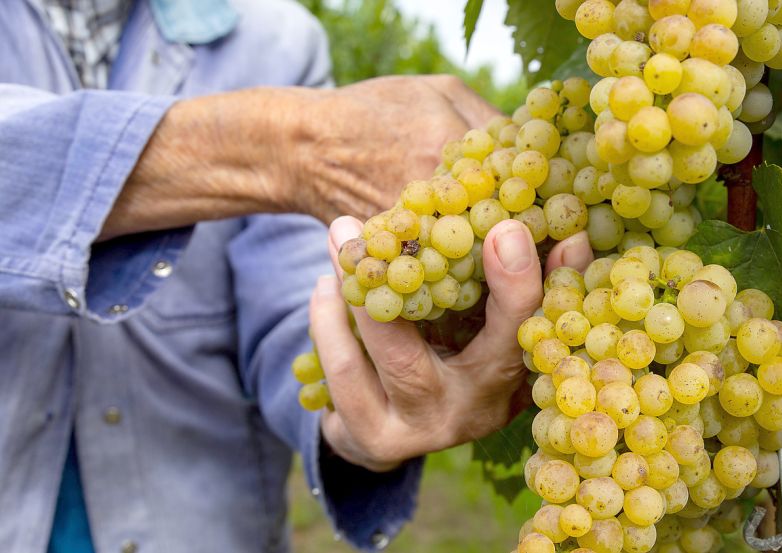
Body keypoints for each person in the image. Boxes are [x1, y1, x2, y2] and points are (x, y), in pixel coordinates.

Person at [0, 1, 593, 552]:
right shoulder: (300, 111)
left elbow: (291, 298)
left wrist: (355, 410)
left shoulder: (279, 38)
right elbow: (298, 154)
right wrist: (286, 146)